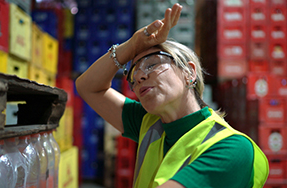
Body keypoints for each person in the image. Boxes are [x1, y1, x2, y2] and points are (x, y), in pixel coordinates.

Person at [76, 3, 269, 188]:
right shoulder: (149, 124)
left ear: (189, 72)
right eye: (134, 75)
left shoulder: (231, 148)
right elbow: (87, 87)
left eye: (152, 64)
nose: (141, 76)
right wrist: (132, 46)